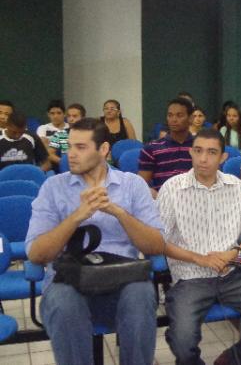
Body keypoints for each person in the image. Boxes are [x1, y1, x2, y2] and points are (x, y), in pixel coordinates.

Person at [25, 118, 165, 365]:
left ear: (103, 150)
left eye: (81, 147)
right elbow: (36, 254)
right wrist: (78, 215)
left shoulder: (132, 185)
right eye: (69, 147)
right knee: (63, 303)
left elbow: (155, 246)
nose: (71, 155)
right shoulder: (53, 187)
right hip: (68, 281)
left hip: (122, 278)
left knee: (141, 294)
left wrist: (118, 212)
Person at [157, 128, 241, 365]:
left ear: (222, 158)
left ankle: (232, 361)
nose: (203, 159)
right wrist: (201, 259)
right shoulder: (172, 188)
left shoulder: (234, 186)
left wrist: (236, 252)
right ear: (190, 152)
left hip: (232, 275)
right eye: (198, 151)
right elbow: (159, 242)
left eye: (211, 152)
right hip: (191, 279)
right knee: (182, 342)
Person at [139, 98, 195, 196]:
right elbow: (140, 185)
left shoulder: (199, 148)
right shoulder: (152, 149)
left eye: (179, 115)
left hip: (195, 201)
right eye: (170, 115)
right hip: (162, 202)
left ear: (190, 118)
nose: (174, 120)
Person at [47, 103, 86, 169]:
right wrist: (64, 162)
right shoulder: (60, 133)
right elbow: (50, 154)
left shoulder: (90, 134)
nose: (71, 119)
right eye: (69, 116)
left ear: (83, 118)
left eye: (75, 116)